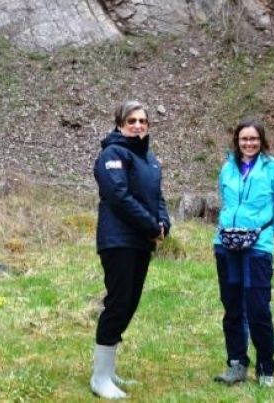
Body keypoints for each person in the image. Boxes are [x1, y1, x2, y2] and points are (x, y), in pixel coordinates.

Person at [91, 101, 171, 399]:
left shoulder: (149, 158)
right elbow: (119, 196)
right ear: (120, 124)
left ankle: (109, 371)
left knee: (130, 303)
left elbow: (157, 196)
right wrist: (151, 225)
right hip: (118, 240)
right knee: (118, 303)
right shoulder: (111, 154)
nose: (138, 125)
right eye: (132, 120)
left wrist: (163, 221)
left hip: (141, 242)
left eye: (143, 121)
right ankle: (99, 378)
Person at [213, 119, 274, 388]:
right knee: (232, 305)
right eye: (244, 139)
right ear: (237, 140)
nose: (249, 143)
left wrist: (265, 233)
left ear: (262, 141)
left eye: (254, 139)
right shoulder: (227, 168)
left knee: (258, 307)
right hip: (226, 246)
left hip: (257, 248)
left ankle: (265, 368)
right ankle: (236, 364)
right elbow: (225, 203)